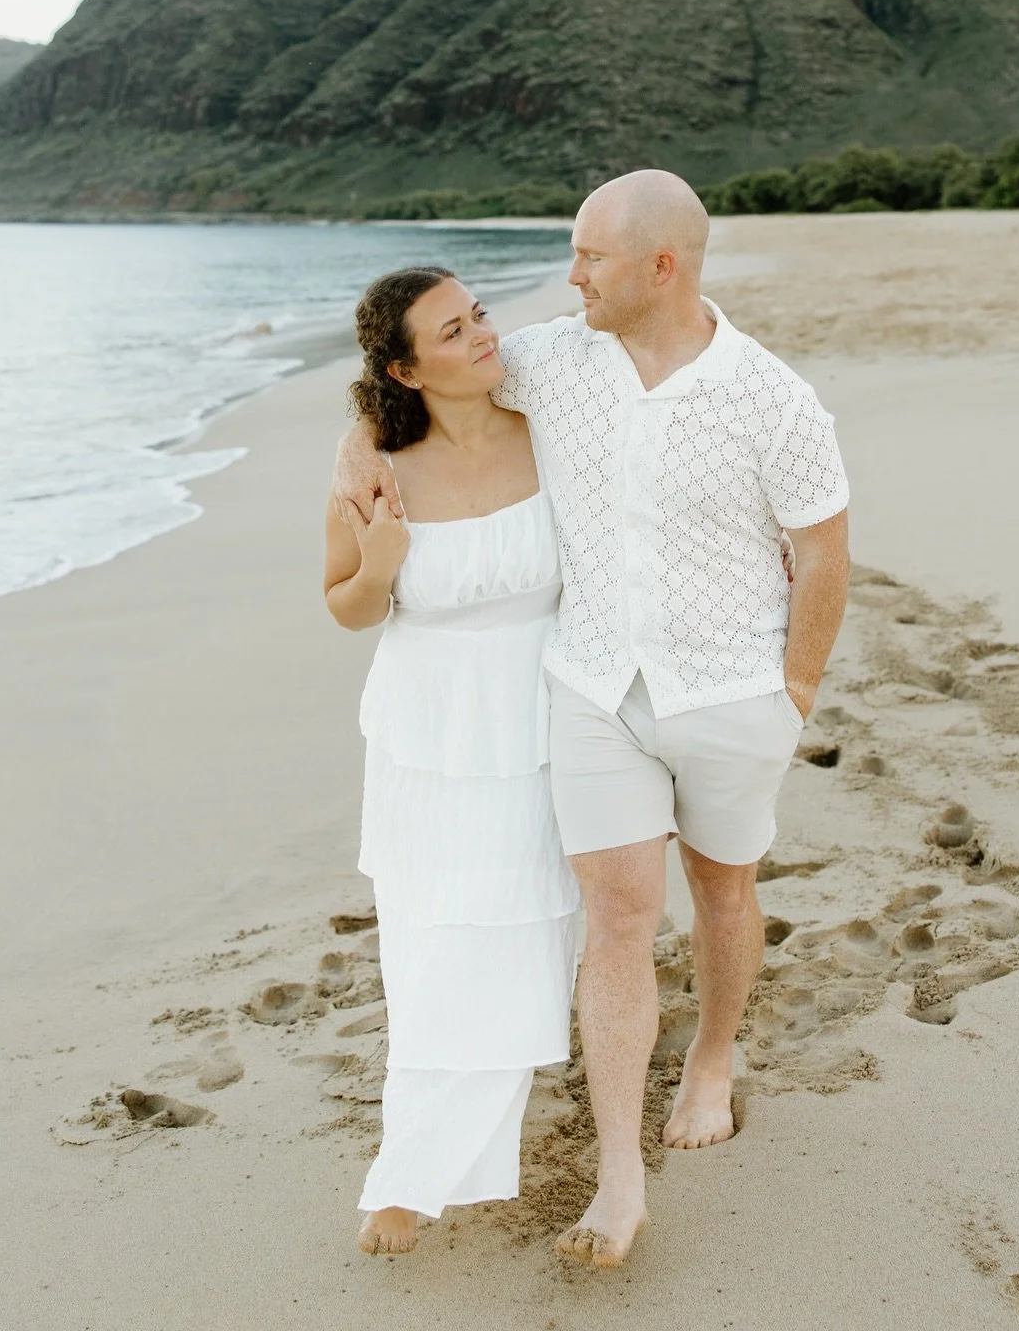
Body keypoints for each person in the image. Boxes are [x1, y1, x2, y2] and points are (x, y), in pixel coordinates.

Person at [335, 171, 851, 1269]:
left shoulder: (774, 398)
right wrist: (356, 448)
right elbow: (410, 379)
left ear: (660, 266)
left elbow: (823, 553)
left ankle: (713, 1052)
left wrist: (793, 693)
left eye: (590, 258)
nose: (569, 278)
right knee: (617, 918)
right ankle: (621, 1180)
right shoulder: (552, 361)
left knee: (723, 889)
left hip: (728, 695)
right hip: (592, 689)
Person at [324, 266, 579, 1257]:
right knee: (431, 943)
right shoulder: (375, 459)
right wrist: (381, 560)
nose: (482, 335)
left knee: (525, 930)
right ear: (404, 367)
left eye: (479, 315)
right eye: (452, 330)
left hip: (545, 707)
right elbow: (345, 603)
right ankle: (412, 1175)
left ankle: (487, 1116)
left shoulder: (547, 429)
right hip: (429, 726)